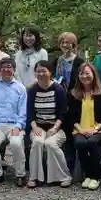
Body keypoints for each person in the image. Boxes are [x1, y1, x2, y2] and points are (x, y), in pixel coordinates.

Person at [26, 60, 71, 188]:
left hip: (56, 127)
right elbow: (29, 112)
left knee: (50, 144)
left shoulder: (58, 89)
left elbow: (63, 112)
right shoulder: (32, 90)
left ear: (50, 72)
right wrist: (34, 127)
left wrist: (55, 127)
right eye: (38, 71)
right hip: (38, 126)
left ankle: (64, 176)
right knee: (37, 142)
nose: (41, 73)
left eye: (44, 71)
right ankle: (34, 177)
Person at [66, 63, 101, 191]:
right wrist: (80, 130)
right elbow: (70, 116)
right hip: (79, 129)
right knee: (80, 143)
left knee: (92, 143)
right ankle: (88, 175)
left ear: (93, 74)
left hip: (98, 129)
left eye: (87, 73)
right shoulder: (73, 94)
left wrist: (95, 129)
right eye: (81, 73)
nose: (84, 76)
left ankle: (95, 176)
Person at [0, 57, 27, 187]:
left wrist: (19, 125)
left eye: (9, 67)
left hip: (14, 125)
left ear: (14, 69)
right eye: (3, 67)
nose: (6, 69)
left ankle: (20, 174)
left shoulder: (20, 88)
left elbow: (23, 111)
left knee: (16, 143)